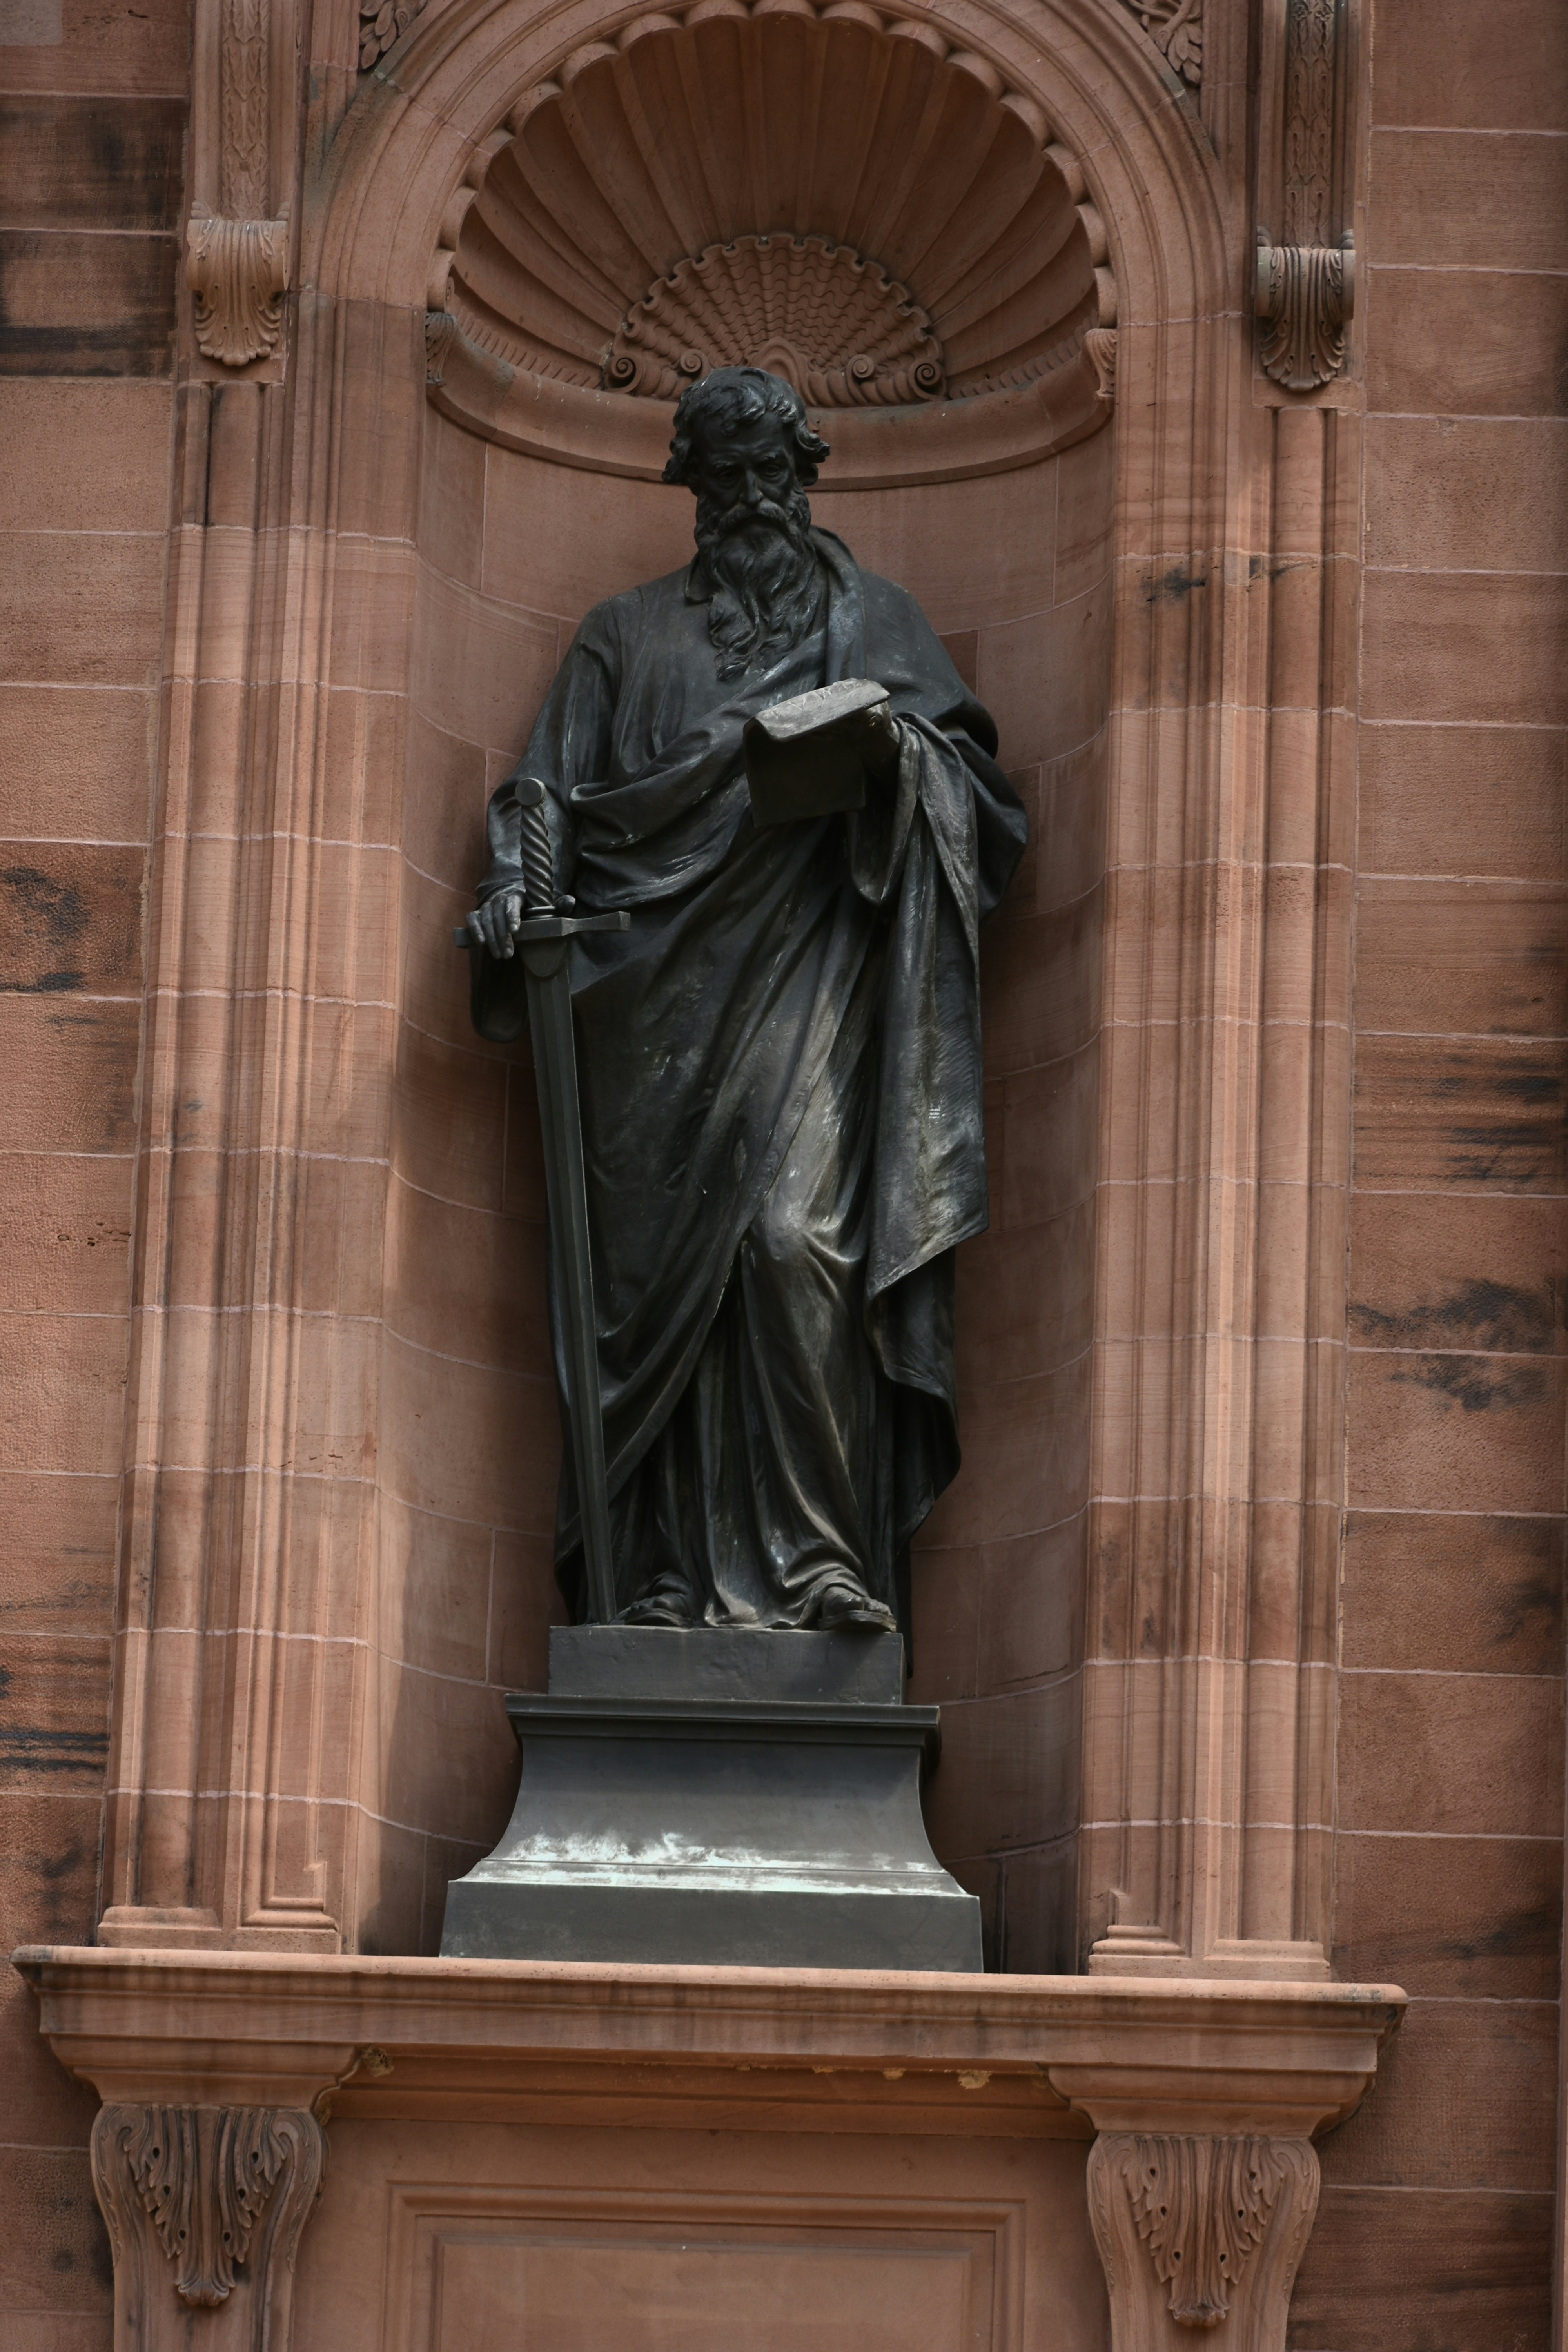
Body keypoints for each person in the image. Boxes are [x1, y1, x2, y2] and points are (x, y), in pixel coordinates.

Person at [465, 366, 1025, 1632]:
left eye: (776, 475)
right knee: (658, 1293)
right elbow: (542, 796)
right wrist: (510, 883)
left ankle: (821, 1563)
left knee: (791, 1246)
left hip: (816, 985)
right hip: (648, 1011)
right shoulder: (626, 635)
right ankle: (660, 1576)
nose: (758, 502)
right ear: (696, 493)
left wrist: (894, 758)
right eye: (730, 482)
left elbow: (986, 811)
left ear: (806, 474)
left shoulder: (875, 621)